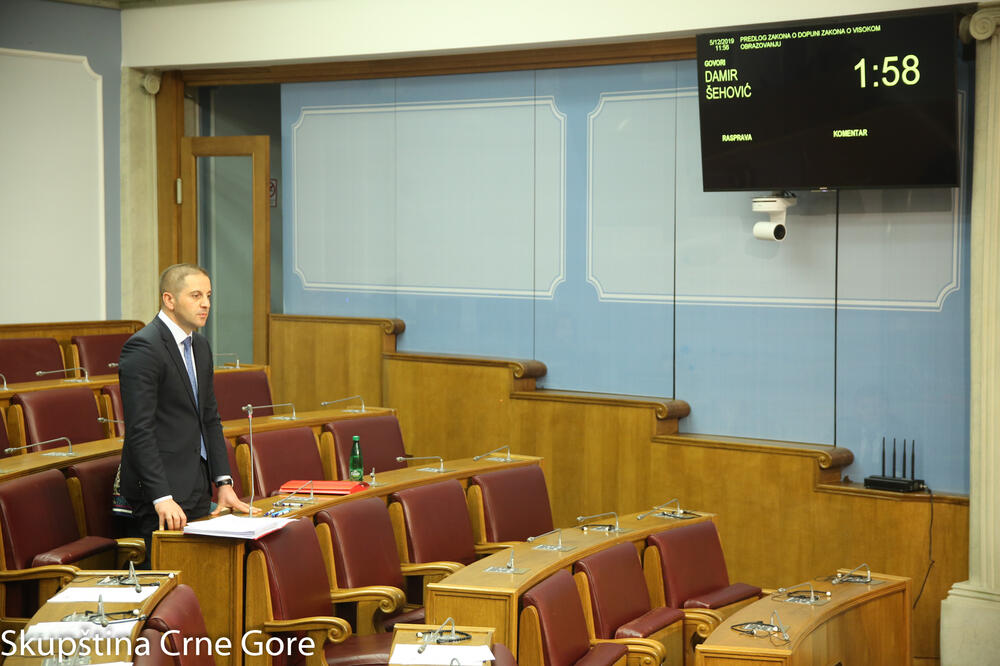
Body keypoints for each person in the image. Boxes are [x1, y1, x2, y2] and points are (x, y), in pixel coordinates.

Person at [118, 263, 252, 560]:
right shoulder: (143, 348)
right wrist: (161, 497)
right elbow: (140, 430)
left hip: (195, 485)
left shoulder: (200, 346)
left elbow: (209, 418)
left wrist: (223, 482)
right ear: (169, 299)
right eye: (195, 295)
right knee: (170, 578)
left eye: (208, 295)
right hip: (159, 495)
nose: (206, 304)